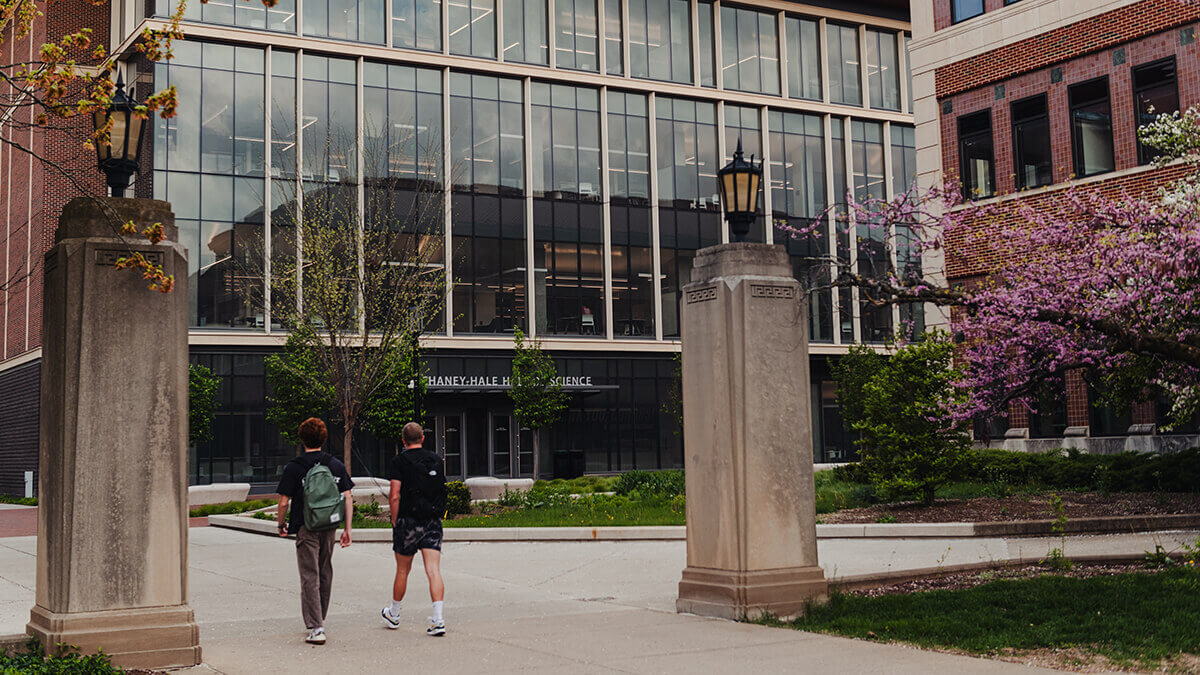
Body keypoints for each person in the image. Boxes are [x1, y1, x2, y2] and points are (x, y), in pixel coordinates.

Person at [275, 417, 354, 645]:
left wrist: (281, 525)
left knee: (309, 575)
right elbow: (347, 497)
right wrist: (347, 529)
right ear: (324, 438)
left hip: (305, 526)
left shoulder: (295, 467)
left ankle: (316, 627)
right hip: (329, 525)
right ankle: (320, 618)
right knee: (325, 571)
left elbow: (283, 502)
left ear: (302, 439)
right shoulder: (335, 464)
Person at [381, 421, 447, 636]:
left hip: (408, 521)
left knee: (402, 570)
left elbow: (394, 494)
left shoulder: (399, 461)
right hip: (432, 521)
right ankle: (438, 619)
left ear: (403, 440)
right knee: (433, 570)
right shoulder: (436, 460)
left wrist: (394, 519)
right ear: (423, 438)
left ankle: (395, 613)